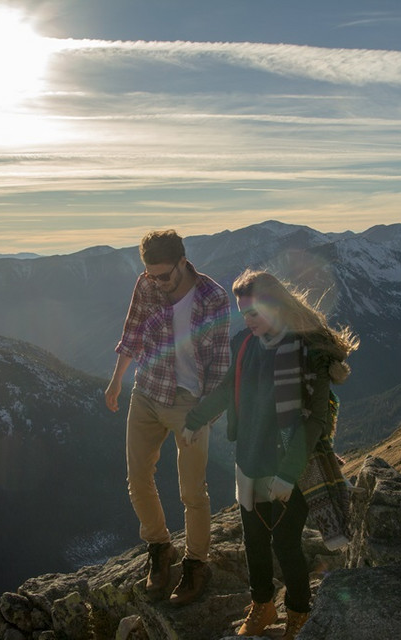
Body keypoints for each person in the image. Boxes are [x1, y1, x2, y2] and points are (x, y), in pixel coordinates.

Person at [182, 269, 358, 638]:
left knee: (285, 542)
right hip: (250, 458)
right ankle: (262, 607)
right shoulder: (245, 344)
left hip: (292, 462)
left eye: (255, 312)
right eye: (243, 313)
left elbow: (315, 422)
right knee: (255, 540)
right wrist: (196, 419)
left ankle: (298, 613)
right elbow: (229, 387)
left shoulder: (309, 351)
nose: (248, 320)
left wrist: (289, 473)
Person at [105, 229, 231, 605]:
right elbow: (132, 333)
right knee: (138, 478)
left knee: (193, 491)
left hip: (189, 402)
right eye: (150, 275)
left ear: (182, 262)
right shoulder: (146, 285)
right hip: (147, 390)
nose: (156, 282)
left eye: (164, 275)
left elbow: (220, 362)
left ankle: (196, 564)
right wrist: (116, 382)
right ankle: (160, 548)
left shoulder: (213, 297)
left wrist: (204, 416)